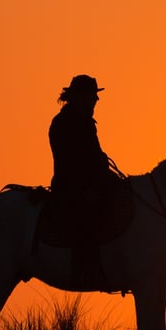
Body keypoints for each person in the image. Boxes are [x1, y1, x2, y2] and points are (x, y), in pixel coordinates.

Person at [48, 74, 122, 285]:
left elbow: (95, 158)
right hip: (72, 188)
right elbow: (73, 162)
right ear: (80, 97)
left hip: (87, 183)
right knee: (90, 212)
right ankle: (83, 266)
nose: (96, 100)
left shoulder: (83, 122)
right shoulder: (66, 123)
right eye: (92, 96)